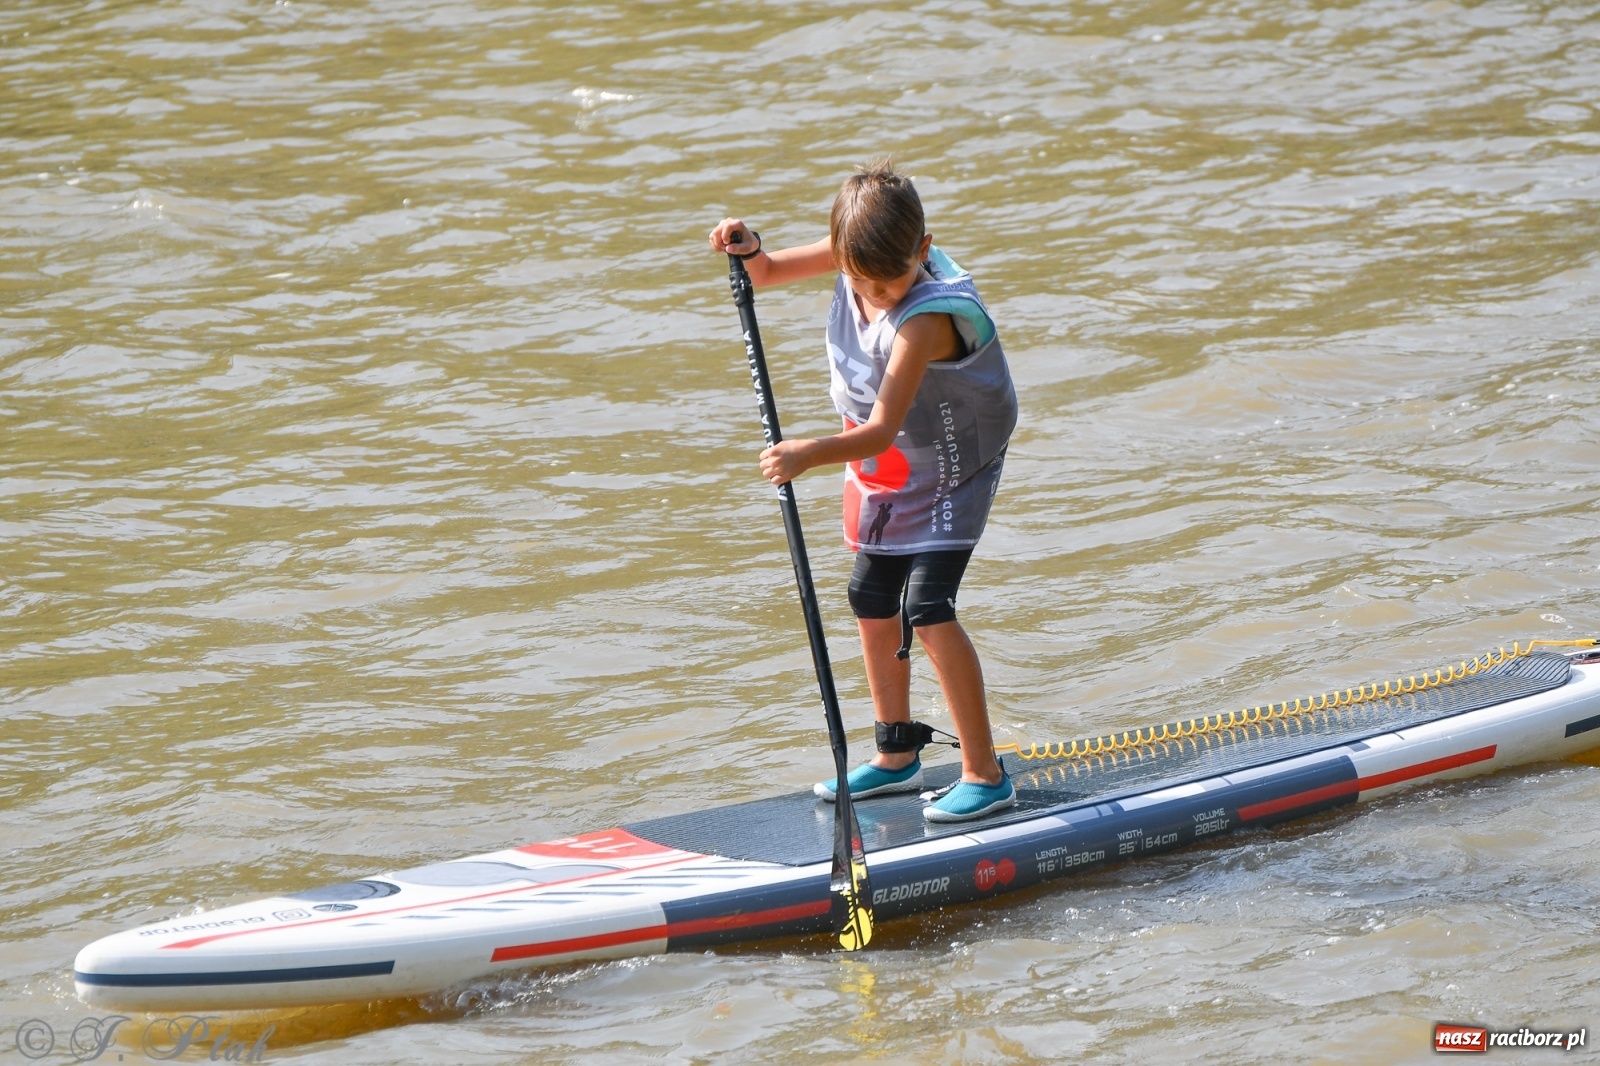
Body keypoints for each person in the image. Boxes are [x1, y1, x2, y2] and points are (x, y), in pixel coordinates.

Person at [708, 159, 1019, 823]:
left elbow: (879, 428)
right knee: (870, 596)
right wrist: (749, 248)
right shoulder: (859, 253)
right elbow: (766, 275)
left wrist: (808, 454)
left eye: (891, 280)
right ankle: (897, 752)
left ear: (924, 252)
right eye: (862, 279)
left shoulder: (925, 320)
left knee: (928, 609)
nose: (876, 293)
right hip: (898, 461)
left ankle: (985, 773)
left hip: (951, 461)